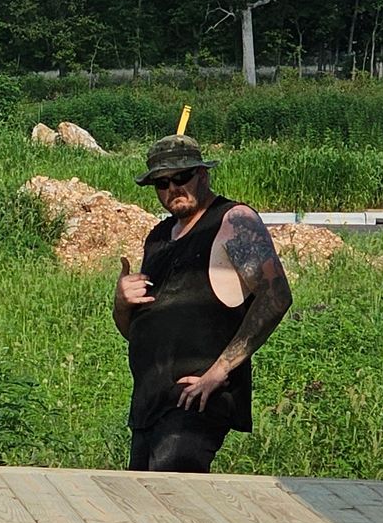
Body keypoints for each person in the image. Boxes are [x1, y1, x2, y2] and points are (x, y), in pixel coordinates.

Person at [111, 134, 292, 473]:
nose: (172, 188)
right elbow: (135, 331)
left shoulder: (232, 220)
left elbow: (276, 296)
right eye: (161, 183)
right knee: (143, 509)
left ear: (203, 174)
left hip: (194, 401)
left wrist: (219, 371)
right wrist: (121, 303)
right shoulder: (159, 238)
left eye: (181, 177)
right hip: (150, 403)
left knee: (173, 505)